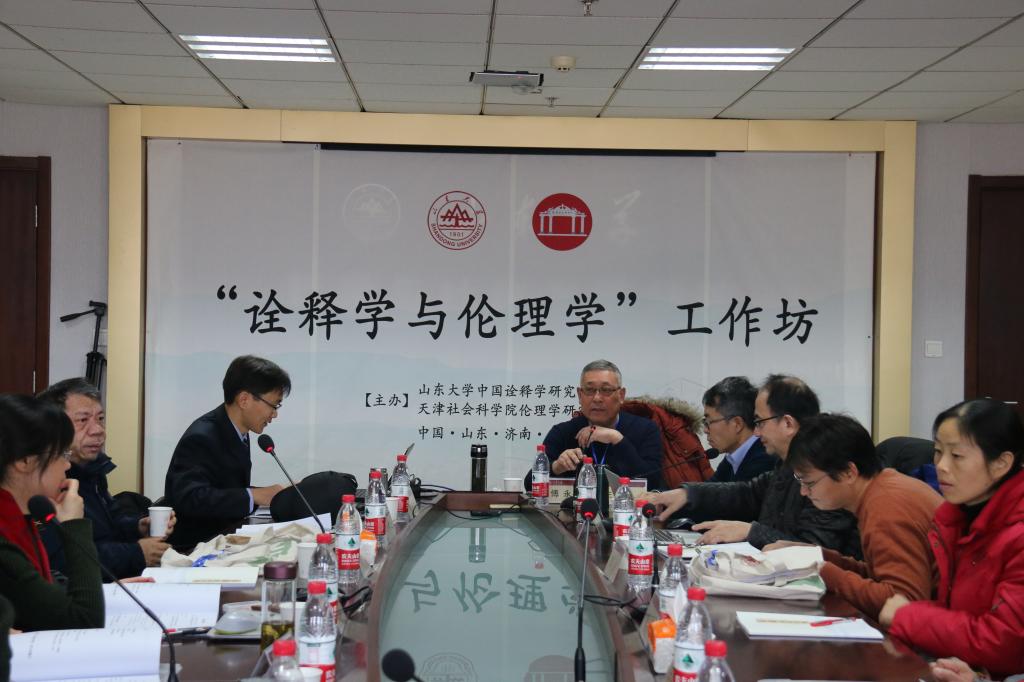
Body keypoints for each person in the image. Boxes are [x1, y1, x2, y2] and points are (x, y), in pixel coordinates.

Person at [879, 399, 1024, 679]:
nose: (941, 466)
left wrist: (907, 616)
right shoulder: (957, 517)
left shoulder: (1016, 534)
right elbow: (958, 610)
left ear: (1001, 463)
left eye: (956, 456)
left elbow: (1003, 643)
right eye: (937, 452)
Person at [646, 374, 859, 556]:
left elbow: (818, 551)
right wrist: (687, 494)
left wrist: (750, 532)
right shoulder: (788, 464)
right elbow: (748, 493)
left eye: (759, 422)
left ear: (787, 423)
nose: (755, 432)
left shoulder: (827, 469)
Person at [768, 413, 941, 620]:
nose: (803, 492)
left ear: (848, 472)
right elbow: (878, 575)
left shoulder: (886, 507)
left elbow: (902, 603)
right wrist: (817, 556)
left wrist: (823, 571)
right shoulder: (882, 488)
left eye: (809, 482)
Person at [37, 378, 175, 579]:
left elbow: (110, 525)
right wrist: (136, 554)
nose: (98, 430)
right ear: (55, 428)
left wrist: (138, 526)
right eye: (83, 420)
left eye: (100, 418)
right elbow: (61, 560)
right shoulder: (49, 482)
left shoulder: (92, 469)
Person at [164, 355, 291, 549]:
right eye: (273, 405)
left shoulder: (237, 430)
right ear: (244, 400)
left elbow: (224, 488)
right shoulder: (202, 437)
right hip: (195, 549)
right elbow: (190, 498)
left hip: (223, 539)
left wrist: (272, 494)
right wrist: (255, 495)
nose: (275, 414)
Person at [0, 394, 104, 631]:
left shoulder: (20, 518)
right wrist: (74, 525)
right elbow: (85, 621)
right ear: (25, 461)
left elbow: (42, 590)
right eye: (61, 455)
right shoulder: (5, 543)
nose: (67, 465)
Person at [533, 360, 663, 489]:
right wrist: (556, 467)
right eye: (589, 390)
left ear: (621, 395)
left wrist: (616, 439)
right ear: (580, 395)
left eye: (606, 390)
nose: (597, 398)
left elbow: (653, 483)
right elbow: (530, 483)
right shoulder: (563, 432)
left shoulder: (646, 430)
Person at [701, 376, 776, 483]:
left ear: (737, 424)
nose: (705, 430)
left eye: (709, 422)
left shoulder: (764, 459)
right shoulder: (732, 457)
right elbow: (709, 488)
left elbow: (737, 493)